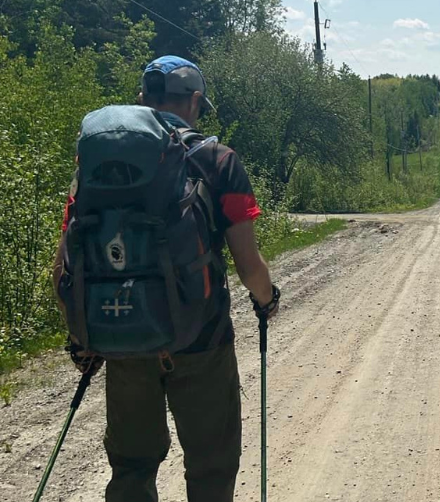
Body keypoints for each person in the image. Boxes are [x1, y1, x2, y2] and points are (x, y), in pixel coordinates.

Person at [51, 55, 279, 502]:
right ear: (195, 101)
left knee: (132, 468)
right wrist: (267, 300)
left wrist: (81, 335)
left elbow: (66, 264)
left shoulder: (98, 161)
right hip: (202, 339)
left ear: (142, 99)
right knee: (211, 465)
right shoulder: (218, 160)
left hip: (121, 338)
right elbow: (249, 266)